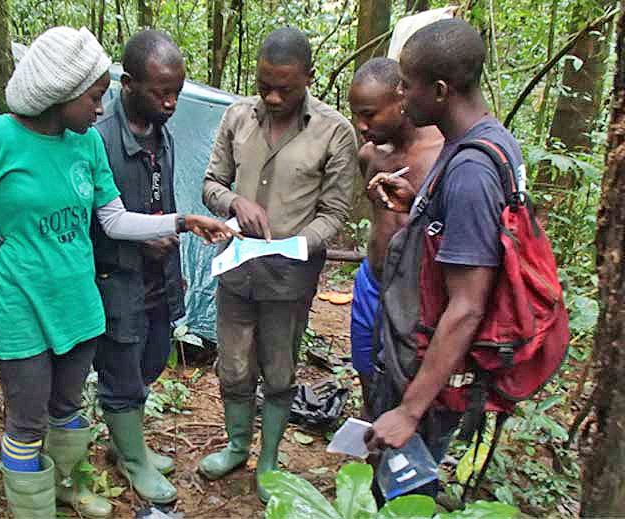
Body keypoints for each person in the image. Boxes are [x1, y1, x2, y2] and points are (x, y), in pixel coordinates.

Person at [0, 26, 235, 518]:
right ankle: (35, 509)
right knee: (27, 421)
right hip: (21, 307)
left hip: (79, 304)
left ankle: (69, 484)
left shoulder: (86, 145)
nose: (100, 110)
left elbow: (112, 219)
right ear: (60, 94)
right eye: (93, 98)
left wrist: (182, 221)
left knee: (69, 407)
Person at [364, 19, 525, 497]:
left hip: (430, 376)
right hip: (420, 358)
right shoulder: (483, 143)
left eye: (407, 85)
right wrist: (420, 207)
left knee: (402, 496)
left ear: (438, 90)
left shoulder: (472, 170)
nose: (402, 96)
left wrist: (409, 410)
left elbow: (467, 305)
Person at [200, 27, 359, 502]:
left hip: (289, 278)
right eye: (264, 84)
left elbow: (334, 213)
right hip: (234, 270)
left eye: (284, 88)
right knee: (232, 364)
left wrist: (296, 244)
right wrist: (233, 204)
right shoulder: (236, 117)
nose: (271, 96)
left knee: (280, 367)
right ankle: (235, 445)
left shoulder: (334, 132)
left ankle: (268, 460)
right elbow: (211, 182)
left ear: (309, 78)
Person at [90, 30, 186, 504]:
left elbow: (160, 200)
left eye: (176, 93)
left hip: (158, 280)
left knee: (151, 358)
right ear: (127, 84)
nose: (170, 103)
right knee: (122, 371)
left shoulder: (161, 135)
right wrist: (143, 237)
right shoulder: (99, 141)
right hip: (117, 281)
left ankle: (124, 442)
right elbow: (93, 221)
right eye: (160, 93)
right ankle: (132, 459)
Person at [347, 57, 443, 418]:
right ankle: (372, 443)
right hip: (372, 282)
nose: (361, 125)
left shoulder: (440, 154)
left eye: (370, 114)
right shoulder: (369, 154)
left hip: (417, 295)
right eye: (356, 114)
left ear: (401, 100)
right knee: (366, 370)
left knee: (405, 377)